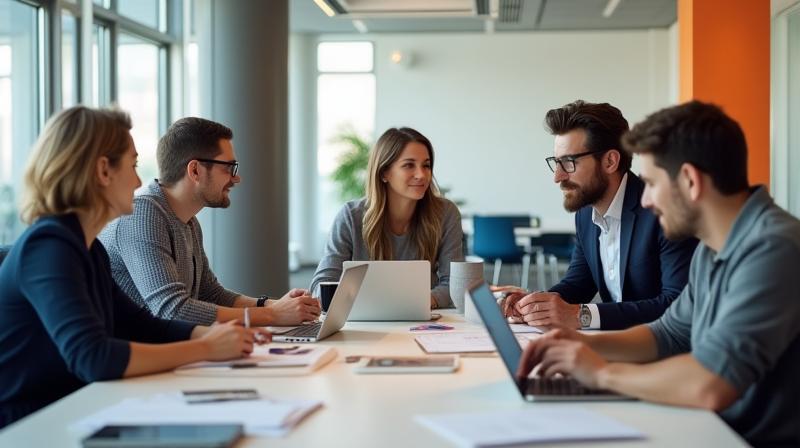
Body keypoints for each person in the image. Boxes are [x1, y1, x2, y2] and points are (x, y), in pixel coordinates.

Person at [516, 101, 800, 447]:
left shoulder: (774, 247)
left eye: (651, 183)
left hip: (746, 437)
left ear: (690, 181)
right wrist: (580, 344)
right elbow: (669, 334)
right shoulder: (715, 245)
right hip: (712, 425)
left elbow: (710, 384)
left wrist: (602, 373)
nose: (646, 200)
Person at [0, 107, 269, 427]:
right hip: (31, 426)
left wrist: (218, 335)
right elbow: (93, 358)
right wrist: (205, 347)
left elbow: (141, 325)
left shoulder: (89, 248)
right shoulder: (48, 247)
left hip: (78, 412)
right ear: (104, 171)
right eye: (133, 165)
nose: (139, 181)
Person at [99, 117, 320, 327]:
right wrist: (273, 315)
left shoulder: (189, 222)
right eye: (229, 167)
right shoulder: (142, 214)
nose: (236, 178)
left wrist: (274, 305)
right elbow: (172, 310)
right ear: (195, 170)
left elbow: (210, 294)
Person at [503, 100, 696, 330]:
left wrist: (582, 315)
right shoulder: (585, 214)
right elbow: (578, 284)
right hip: (618, 342)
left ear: (610, 161)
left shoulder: (662, 210)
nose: (558, 177)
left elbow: (677, 304)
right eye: (556, 162)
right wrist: (535, 306)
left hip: (662, 345)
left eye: (569, 162)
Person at [310, 127, 463, 309]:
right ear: (384, 173)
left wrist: (419, 302)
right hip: (362, 319)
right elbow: (323, 284)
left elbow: (455, 283)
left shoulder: (445, 213)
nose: (421, 174)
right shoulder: (351, 216)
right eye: (409, 165)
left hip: (422, 316)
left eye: (426, 165)